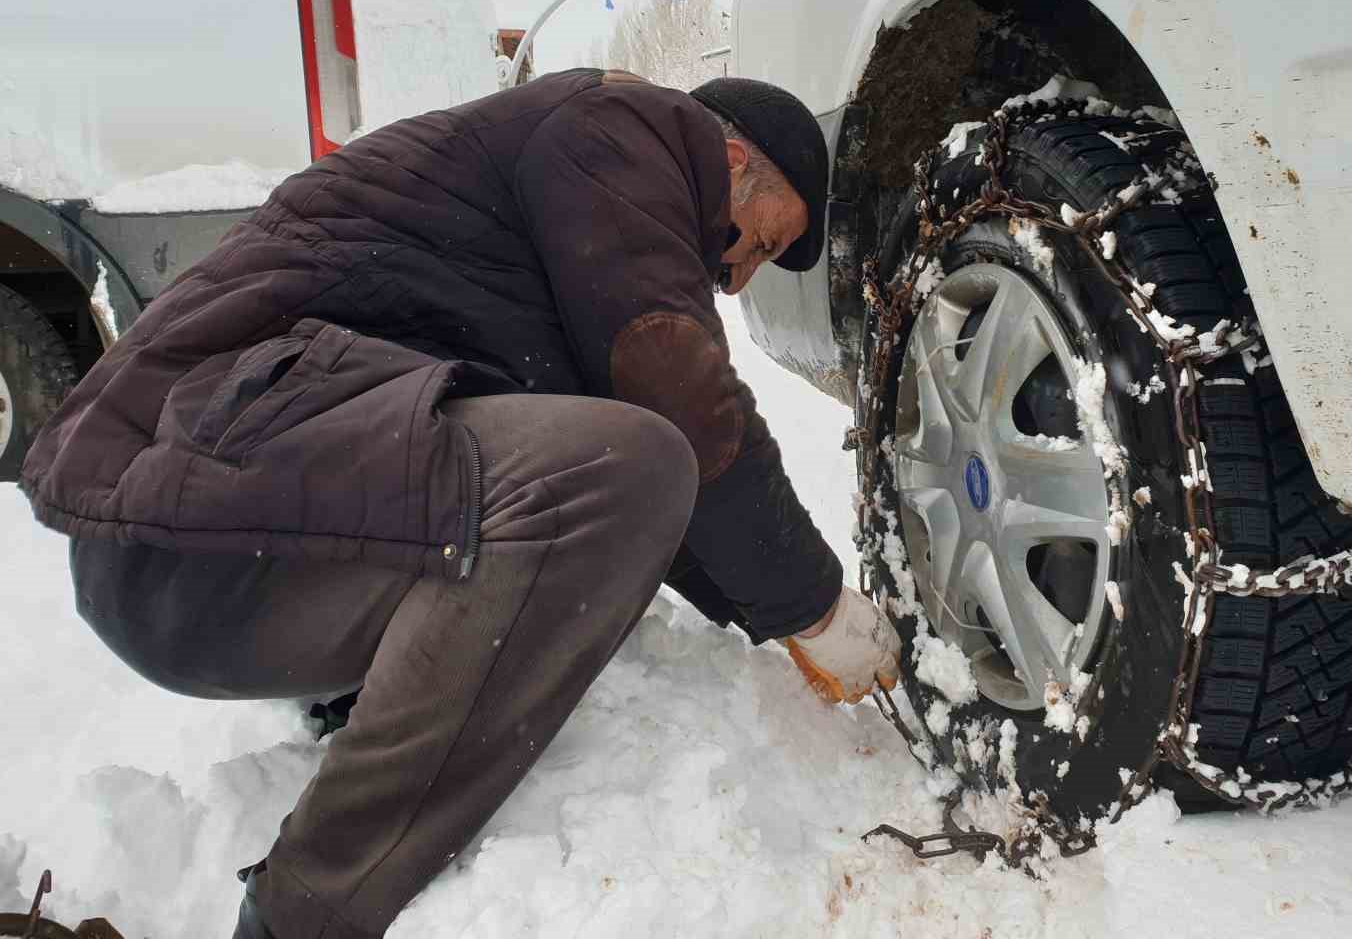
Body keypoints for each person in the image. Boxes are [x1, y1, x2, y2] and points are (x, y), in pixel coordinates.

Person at [19, 70, 902, 939]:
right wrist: (815, 606)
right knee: (623, 462)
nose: (736, 278)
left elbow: (645, 510)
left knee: (610, 481)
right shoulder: (622, 127)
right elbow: (674, 392)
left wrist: (773, 620)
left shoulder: (556, 200)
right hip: (194, 529)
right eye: (753, 240)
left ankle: (362, 712)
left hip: (225, 540)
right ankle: (310, 909)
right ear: (731, 156)